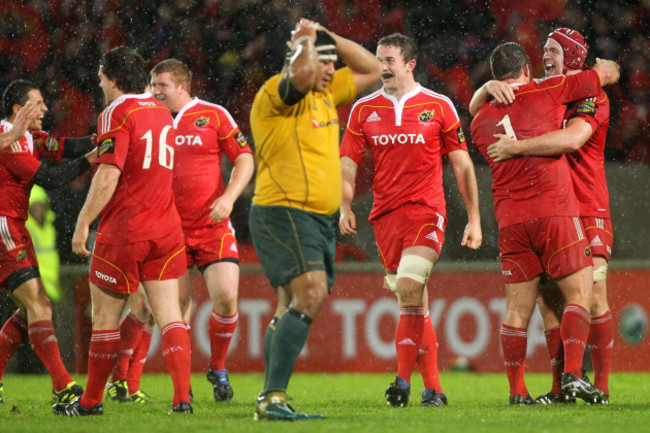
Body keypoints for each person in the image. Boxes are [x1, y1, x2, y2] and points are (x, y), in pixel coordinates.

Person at [469, 42, 619, 405]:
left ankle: (524, 391)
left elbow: (571, 136)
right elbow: (608, 73)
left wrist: (487, 92)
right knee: (572, 297)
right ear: (525, 70)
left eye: (554, 48)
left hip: (516, 219)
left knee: (525, 307)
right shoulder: (549, 91)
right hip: (555, 210)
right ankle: (568, 379)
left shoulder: (479, 121)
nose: (546, 56)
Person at [248, 18, 382, 420]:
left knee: (291, 302)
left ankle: (271, 398)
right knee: (311, 292)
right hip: (284, 210)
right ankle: (271, 399)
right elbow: (303, 71)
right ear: (299, 60)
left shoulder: (329, 92)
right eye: (323, 62)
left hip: (315, 219)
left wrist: (330, 39)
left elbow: (374, 69)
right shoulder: (277, 92)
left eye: (331, 63)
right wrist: (307, 42)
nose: (330, 69)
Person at [339, 33, 482, 408]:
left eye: (389, 60)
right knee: (414, 302)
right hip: (385, 218)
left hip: (426, 212)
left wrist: (474, 218)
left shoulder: (439, 105)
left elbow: (463, 165)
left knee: (407, 285)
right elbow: (347, 162)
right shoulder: (363, 110)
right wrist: (344, 205)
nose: (382, 66)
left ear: (409, 64)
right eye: (379, 59)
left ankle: (401, 382)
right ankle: (433, 389)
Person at [55, 46, 191, 416]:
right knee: (170, 315)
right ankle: (182, 399)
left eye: (101, 78)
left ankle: (91, 402)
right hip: (165, 228)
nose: (99, 84)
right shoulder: (162, 112)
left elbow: (109, 173)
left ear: (114, 80)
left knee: (105, 319)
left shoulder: (116, 112)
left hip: (126, 231)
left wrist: (82, 223)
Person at [150, 58, 255, 402]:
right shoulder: (149, 117)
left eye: (162, 85)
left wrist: (229, 197)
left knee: (226, 297)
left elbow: (244, 158)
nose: (156, 91)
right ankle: (183, 389)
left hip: (212, 224)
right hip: (168, 228)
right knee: (176, 309)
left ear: (182, 86)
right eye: (153, 84)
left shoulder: (213, 114)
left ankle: (218, 366)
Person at [0, 79, 96, 405]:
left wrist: (99, 140)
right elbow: (49, 178)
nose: (44, 109)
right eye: (37, 103)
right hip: (3, 227)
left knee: (29, 313)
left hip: (15, 226)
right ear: (18, 109)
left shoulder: (28, 137)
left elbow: (63, 146)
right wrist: (91, 160)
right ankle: (62, 384)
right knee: (39, 305)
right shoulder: (7, 139)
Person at [105, 284, 155, 404]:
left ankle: (132, 387)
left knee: (150, 318)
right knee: (141, 308)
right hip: (125, 266)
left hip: (148, 265)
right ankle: (118, 379)